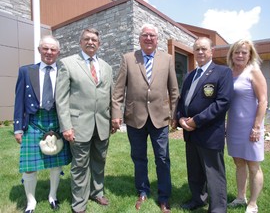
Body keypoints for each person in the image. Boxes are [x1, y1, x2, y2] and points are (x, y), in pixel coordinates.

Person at [111, 23, 179, 213]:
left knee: (163, 158)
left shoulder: (167, 59)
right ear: (140, 38)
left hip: (160, 118)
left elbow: (174, 90)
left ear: (157, 39)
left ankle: (164, 196)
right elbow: (118, 91)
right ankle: (142, 191)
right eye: (145, 35)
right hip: (135, 118)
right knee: (139, 157)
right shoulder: (128, 58)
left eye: (152, 36)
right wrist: (116, 114)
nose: (148, 38)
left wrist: (174, 114)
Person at [55, 28, 113, 213]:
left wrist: (113, 119)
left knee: (99, 161)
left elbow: (110, 95)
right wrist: (66, 126)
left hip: (102, 124)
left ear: (99, 43)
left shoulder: (107, 67)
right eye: (86, 39)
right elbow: (61, 98)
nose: (90, 42)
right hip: (78, 125)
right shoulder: (67, 63)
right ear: (80, 42)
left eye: (94, 39)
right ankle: (79, 203)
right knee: (80, 165)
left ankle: (97, 192)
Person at [13, 35, 72, 213]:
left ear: (58, 52)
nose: (49, 52)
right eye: (45, 48)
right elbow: (19, 101)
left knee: (55, 163)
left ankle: (52, 196)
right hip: (34, 121)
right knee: (29, 166)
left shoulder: (64, 70)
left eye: (53, 49)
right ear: (39, 50)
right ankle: (31, 203)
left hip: (56, 119)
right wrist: (17, 127)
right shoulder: (26, 71)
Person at [176, 37, 234, 213]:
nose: (200, 52)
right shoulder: (190, 75)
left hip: (209, 133)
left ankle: (217, 208)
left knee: (213, 173)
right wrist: (180, 118)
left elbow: (222, 103)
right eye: (197, 49)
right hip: (190, 133)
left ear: (212, 51)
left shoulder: (223, 73)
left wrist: (196, 121)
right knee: (195, 171)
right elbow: (182, 101)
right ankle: (198, 199)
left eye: (204, 49)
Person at [226, 39, 267, 213]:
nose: (240, 55)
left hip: (251, 127)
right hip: (234, 126)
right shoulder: (229, 73)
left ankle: (253, 203)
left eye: (244, 52)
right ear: (232, 54)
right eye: (237, 52)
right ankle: (240, 197)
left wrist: (256, 127)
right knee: (239, 163)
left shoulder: (254, 71)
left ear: (250, 55)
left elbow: (263, 100)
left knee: (253, 165)